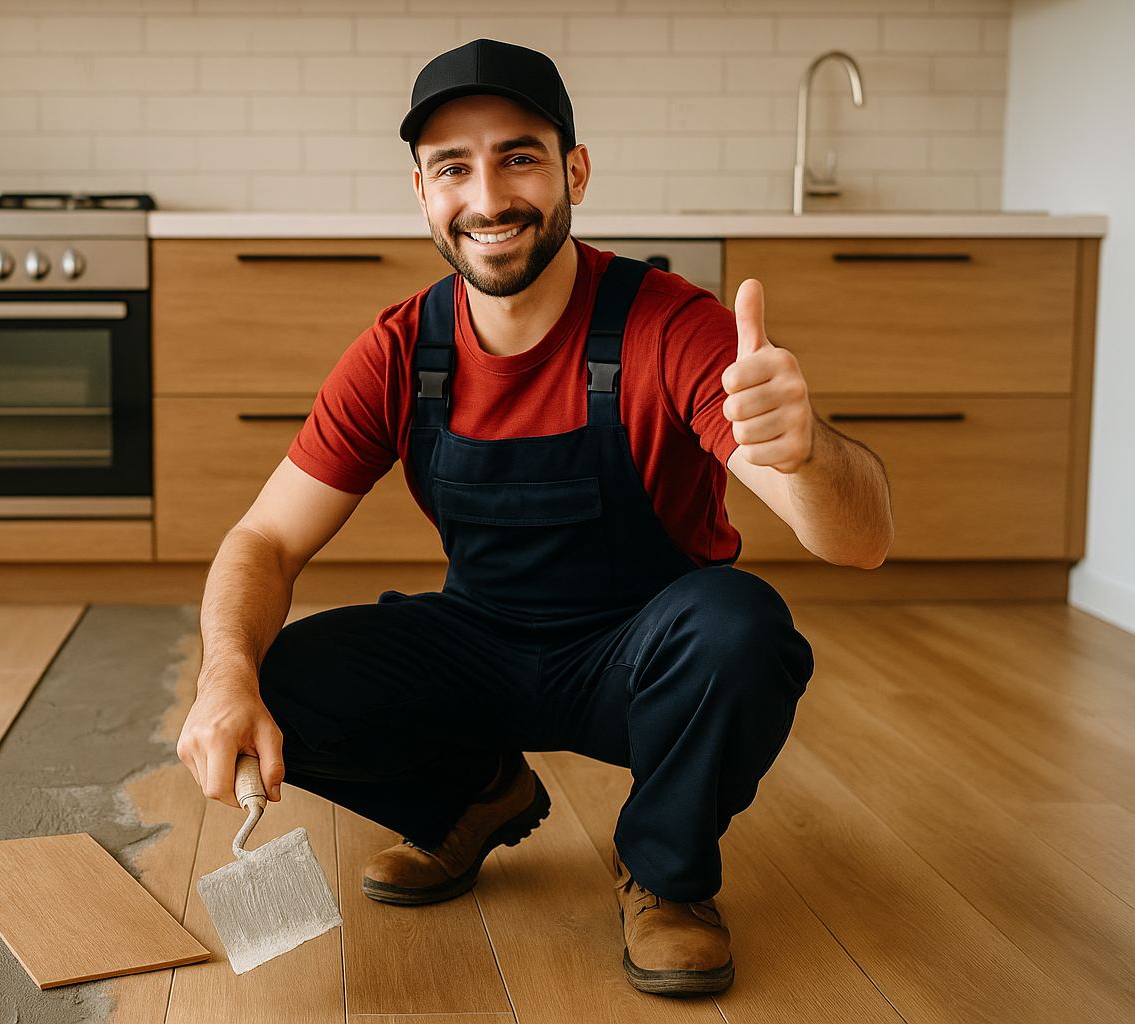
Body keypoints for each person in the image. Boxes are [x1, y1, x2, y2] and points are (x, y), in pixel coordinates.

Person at [177, 39, 892, 995]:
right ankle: (470, 798)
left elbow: (861, 541)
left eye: (519, 157)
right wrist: (224, 677)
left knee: (742, 626)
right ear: (423, 193)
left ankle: (665, 875)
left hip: (643, 660)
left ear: (575, 172)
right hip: (479, 644)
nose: (488, 197)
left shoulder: (671, 325)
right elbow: (263, 540)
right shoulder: (400, 351)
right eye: (453, 168)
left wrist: (805, 453)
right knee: (282, 676)